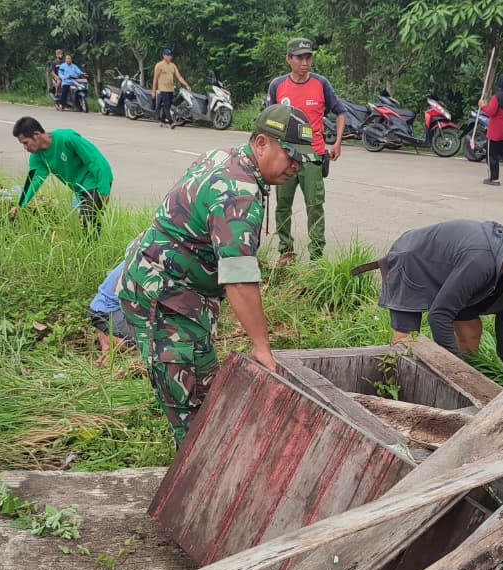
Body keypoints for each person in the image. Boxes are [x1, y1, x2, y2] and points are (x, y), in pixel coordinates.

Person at [117, 104, 314, 446]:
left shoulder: (226, 156)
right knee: (192, 407)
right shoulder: (239, 191)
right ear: (262, 143)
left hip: (174, 291)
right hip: (164, 299)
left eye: (301, 160)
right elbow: (238, 276)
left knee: (203, 383)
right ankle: (191, 483)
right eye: (290, 155)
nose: (295, 166)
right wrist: (262, 347)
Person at [355, 220, 503, 379]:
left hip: (452, 273)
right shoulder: (482, 260)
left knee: (471, 330)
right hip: (413, 259)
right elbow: (439, 315)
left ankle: (466, 379)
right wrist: (455, 370)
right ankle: (396, 380)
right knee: (408, 338)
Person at [266, 37, 347, 264]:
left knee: (315, 207)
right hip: (284, 156)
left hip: (313, 156)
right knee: (283, 207)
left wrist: (338, 142)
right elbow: (268, 120)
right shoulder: (277, 86)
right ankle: (285, 252)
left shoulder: (321, 84)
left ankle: (317, 259)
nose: (305, 62)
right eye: (300, 57)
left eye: (308, 57)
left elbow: (340, 112)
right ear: (288, 59)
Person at [12, 116, 114, 234]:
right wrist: (20, 205)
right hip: (80, 190)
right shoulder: (37, 157)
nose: (25, 148)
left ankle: (92, 249)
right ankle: (93, 249)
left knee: (88, 219)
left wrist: (104, 190)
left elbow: (96, 161)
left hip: (96, 181)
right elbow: (33, 180)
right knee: (87, 225)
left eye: (26, 143)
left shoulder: (67, 138)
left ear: (36, 135)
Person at [89, 262, 137, 358]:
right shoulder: (146, 264)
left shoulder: (143, 254)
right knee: (148, 341)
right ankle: (108, 338)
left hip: (117, 308)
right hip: (106, 311)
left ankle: (108, 339)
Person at [479, 74, 503, 186]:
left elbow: (491, 111)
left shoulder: (497, 97)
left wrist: (483, 106)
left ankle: (494, 178)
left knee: (491, 155)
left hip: (494, 131)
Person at [152, 48, 191, 129]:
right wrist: (154, 91)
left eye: (170, 55)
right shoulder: (159, 65)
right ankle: (171, 122)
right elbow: (155, 78)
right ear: (164, 56)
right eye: (168, 55)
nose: (170, 57)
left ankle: (162, 120)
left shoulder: (173, 66)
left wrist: (186, 85)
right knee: (166, 105)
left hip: (170, 89)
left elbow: (179, 77)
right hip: (163, 89)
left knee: (168, 106)